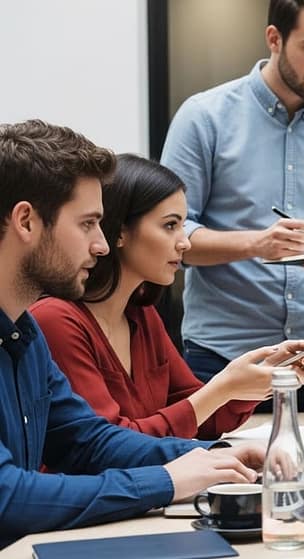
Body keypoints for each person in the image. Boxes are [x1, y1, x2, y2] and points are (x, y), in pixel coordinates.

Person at [0, 120, 263, 548]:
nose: (101, 246)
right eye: (86, 224)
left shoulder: (23, 333)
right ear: (27, 222)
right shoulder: (44, 323)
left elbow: (87, 441)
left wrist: (214, 459)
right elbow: (7, 495)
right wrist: (163, 481)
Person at [160, 0, 304, 411]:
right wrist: (255, 244)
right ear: (274, 39)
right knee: (223, 475)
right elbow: (170, 235)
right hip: (220, 362)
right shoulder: (203, 118)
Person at [29, 155, 304, 440]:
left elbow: (202, 418)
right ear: (120, 232)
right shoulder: (56, 319)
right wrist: (223, 387)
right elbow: (112, 446)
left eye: (183, 226)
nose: (185, 242)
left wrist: (260, 377)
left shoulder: (141, 315)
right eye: (170, 225)